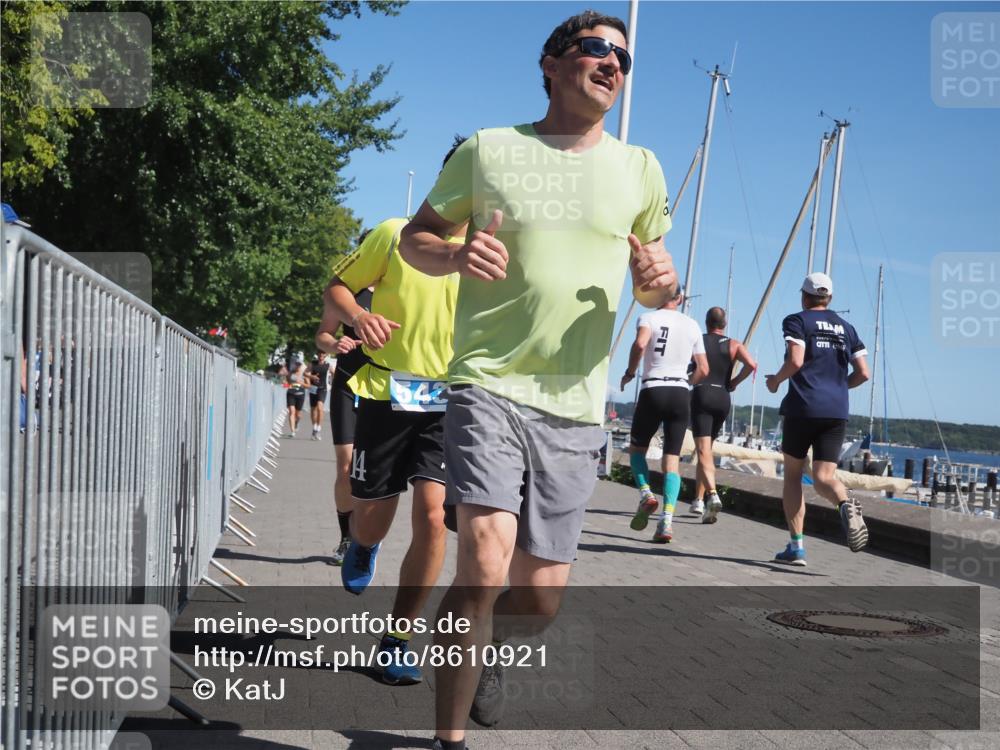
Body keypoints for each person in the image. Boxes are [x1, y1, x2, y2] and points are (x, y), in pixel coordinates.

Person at [399, 11, 677, 748]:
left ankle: (480, 638)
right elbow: (415, 238)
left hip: (576, 404)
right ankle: (448, 738)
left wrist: (659, 283)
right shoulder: (489, 150)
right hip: (487, 383)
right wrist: (453, 255)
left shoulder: (641, 169)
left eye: (624, 58)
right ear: (552, 64)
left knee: (542, 602)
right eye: (597, 49)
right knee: (483, 560)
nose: (613, 64)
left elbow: (654, 285)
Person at [318, 138, 468, 686]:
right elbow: (337, 288)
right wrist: (359, 316)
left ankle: (396, 640)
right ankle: (362, 544)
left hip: (448, 402)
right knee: (372, 517)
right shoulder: (394, 233)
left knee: (432, 515)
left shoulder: (490, 250)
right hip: (386, 393)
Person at [765, 272, 870, 565]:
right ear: (830, 298)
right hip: (836, 410)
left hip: (803, 407)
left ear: (804, 296)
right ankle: (845, 504)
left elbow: (796, 360)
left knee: (793, 475)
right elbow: (863, 373)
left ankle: (796, 547)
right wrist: (838, 388)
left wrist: (775, 381)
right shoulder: (847, 328)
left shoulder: (797, 321)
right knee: (824, 477)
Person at [621, 289, 708, 542]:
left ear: (659, 297)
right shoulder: (692, 325)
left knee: (637, 450)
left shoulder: (648, 318)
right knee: (672, 461)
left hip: (653, 389)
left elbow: (640, 344)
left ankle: (646, 494)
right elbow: (703, 369)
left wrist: (630, 372)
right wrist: (686, 382)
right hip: (680, 392)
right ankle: (666, 522)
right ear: (680, 298)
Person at [315, 268, 373, 566]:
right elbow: (322, 335)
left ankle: (369, 533)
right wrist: (335, 344)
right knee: (346, 467)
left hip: (385, 387)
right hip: (348, 385)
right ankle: (347, 537)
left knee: (373, 468)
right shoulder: (347, 291)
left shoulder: (401, 288)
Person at [688, 306, 756, 522]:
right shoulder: (734, 344)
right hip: (722, 397)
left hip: (702, 394)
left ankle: (712, 495)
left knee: (702, 450)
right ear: (724, 324)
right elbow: (751, 364)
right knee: (706, 451)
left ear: (706, 322)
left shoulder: (697, 341)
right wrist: (734, 382)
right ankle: (698, 500)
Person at [306, 352, 332, 441]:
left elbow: (334, 373)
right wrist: (311, 376)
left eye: (323, 355)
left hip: (323, 388)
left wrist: (333, 383)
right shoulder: (312, 364)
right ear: (317, 355)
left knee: (320, 408)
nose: (321, 356)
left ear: (325, 356)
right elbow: (305, 373)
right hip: (313, 388)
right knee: (313, 409)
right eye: (320, 355)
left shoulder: (328, 365)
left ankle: (318, 428)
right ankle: (314, 427)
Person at [284, 359, 307, 437]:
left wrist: (301, 383)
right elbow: (286, 384)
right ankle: (293, 431)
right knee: (291, 412)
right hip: (291, 394)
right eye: (296, 364)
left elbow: (308, 385)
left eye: (299, 365)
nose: (297, 366)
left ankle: (296, 422)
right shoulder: (290, 373)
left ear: (301, 366)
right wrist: (287, 385)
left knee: (298, 414)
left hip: (300, 394)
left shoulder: (304, 374)